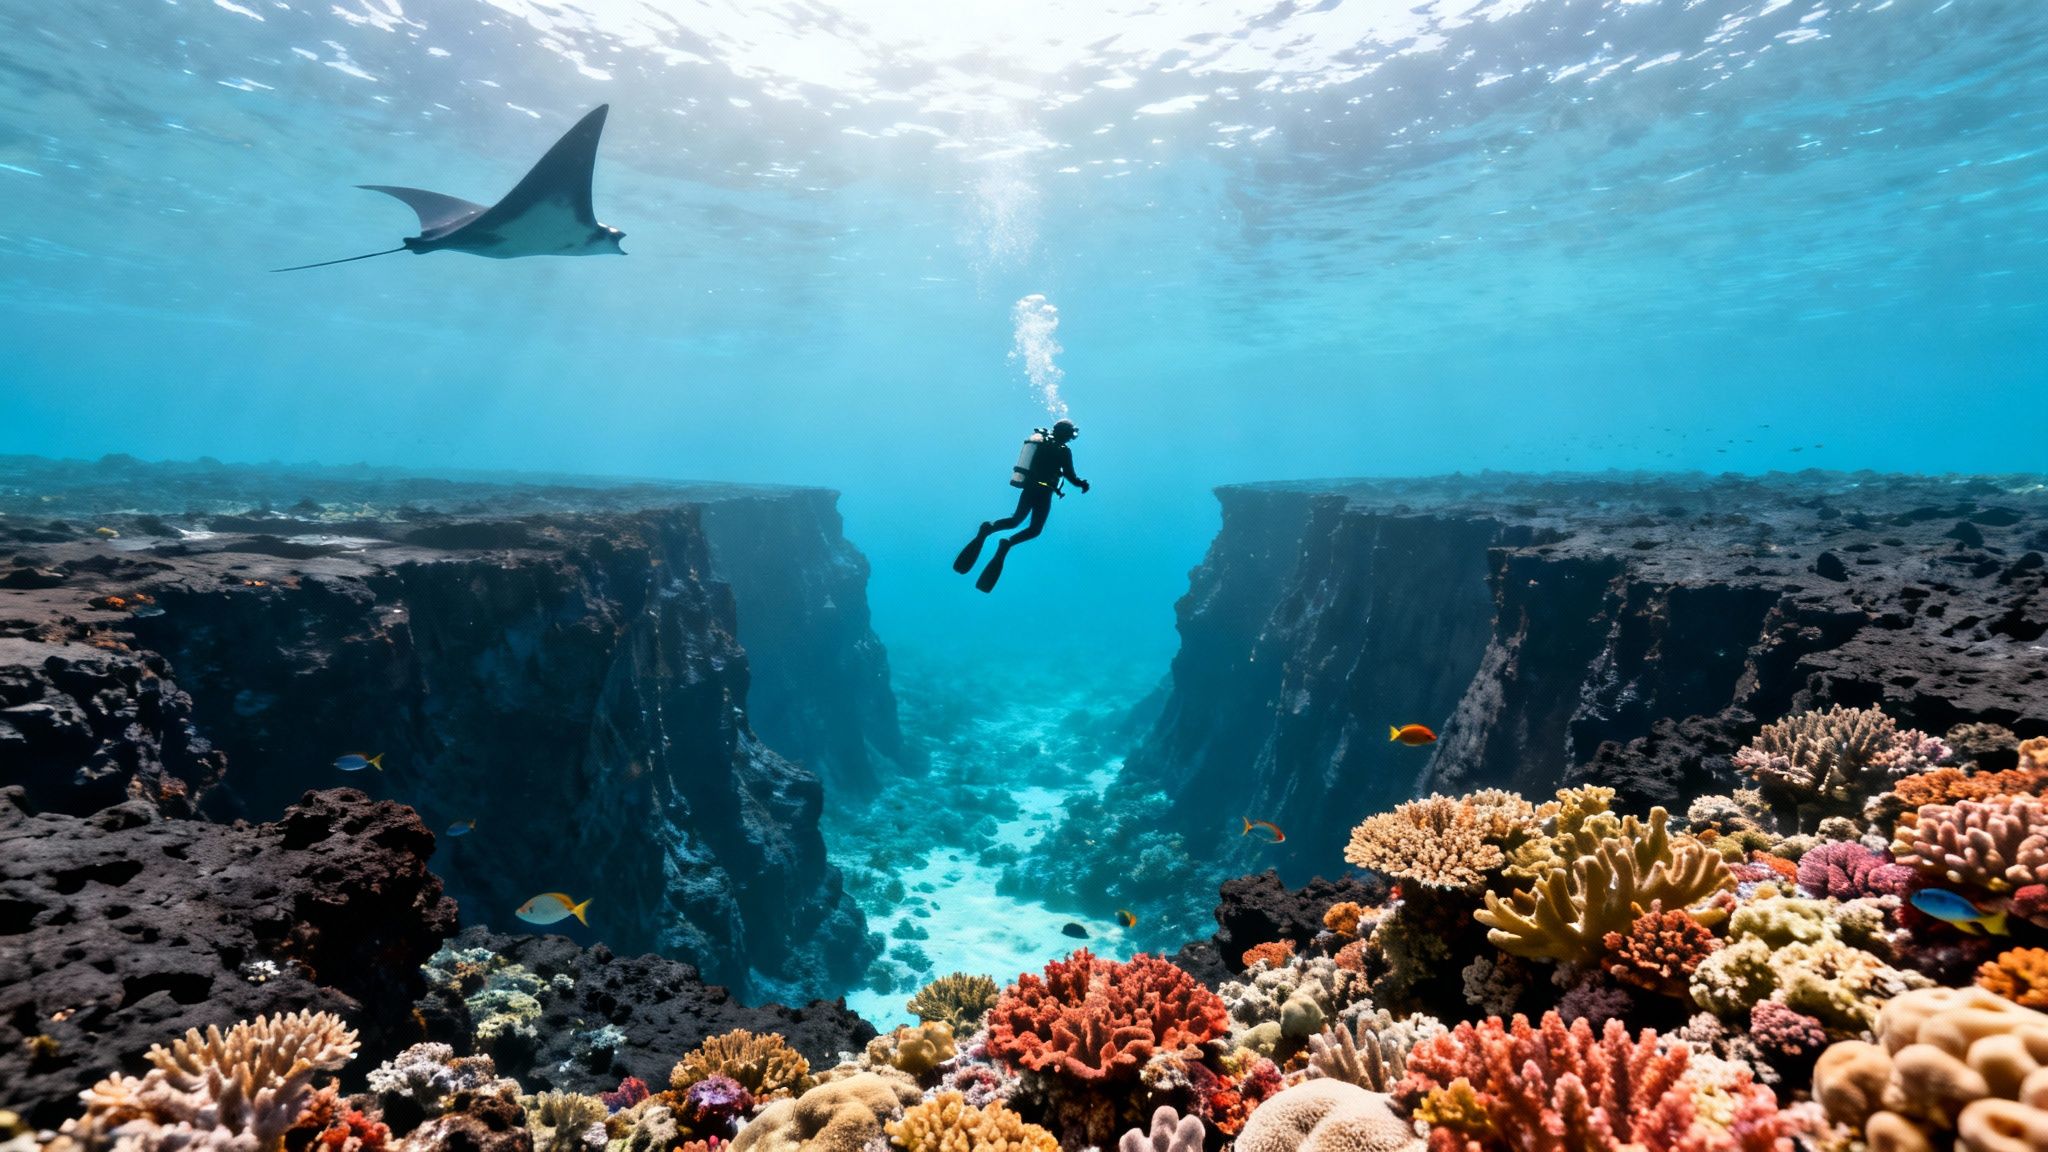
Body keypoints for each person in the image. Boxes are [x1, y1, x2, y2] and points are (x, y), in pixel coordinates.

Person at [955, 418, 1090, 592]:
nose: (1071, 439)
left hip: (1029, 487)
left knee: (1015, 520)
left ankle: (988, 529)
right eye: (1070, 435)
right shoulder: (1063, 450)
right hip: (1045, 491)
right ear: (1065, 433)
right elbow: (1071, 476)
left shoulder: (1040, 442)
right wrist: (1082, 484)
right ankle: (1007, 543)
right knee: (1034, 529)